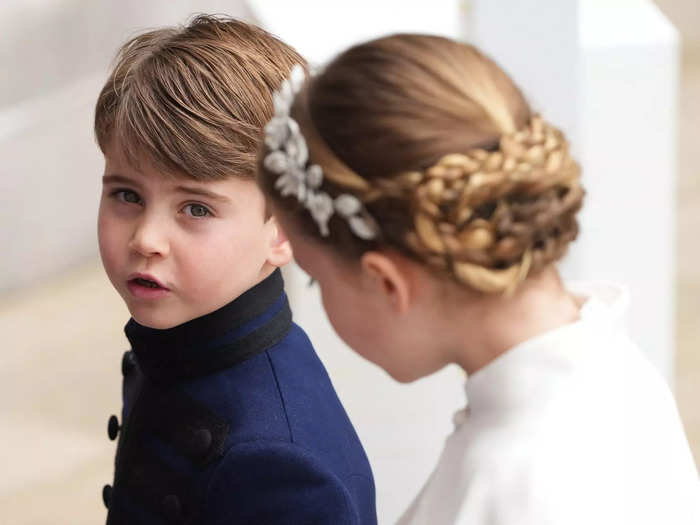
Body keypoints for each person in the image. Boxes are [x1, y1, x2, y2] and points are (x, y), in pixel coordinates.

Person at [257, 34, 700, 524]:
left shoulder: (517, 491)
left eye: (317, 280)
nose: (319, 297)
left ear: (386, 283)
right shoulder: (616, 370)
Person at [94, 15, 376, 524]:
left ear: (286, 231)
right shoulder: (177, 347)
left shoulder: (278, 464)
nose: (145, 239)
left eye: (196, 208)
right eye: (126, 195)